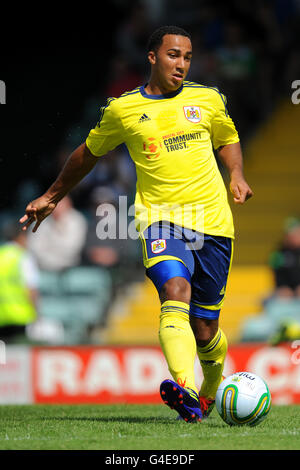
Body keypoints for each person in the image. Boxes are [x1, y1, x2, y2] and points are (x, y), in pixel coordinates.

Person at [19, 25, 253, 422]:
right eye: (173, 55)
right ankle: (187, 389)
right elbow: (87, 154)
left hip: (213, 222)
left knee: (205, 328)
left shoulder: (208, 99)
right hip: (160, 221)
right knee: (174, 290)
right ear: (152, 57)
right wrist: (52, 195)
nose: (181, 64)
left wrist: (236, 174)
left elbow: (227, 137)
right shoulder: (122, 109)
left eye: (187, 57)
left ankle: (210, 390)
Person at [0, 221, 39, 342]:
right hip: (20, 316)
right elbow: (31, 289)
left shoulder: (1, 255)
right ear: (21, 237)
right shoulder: (24, 257)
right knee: (18, 357)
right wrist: (37, 313)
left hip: (1, 317)